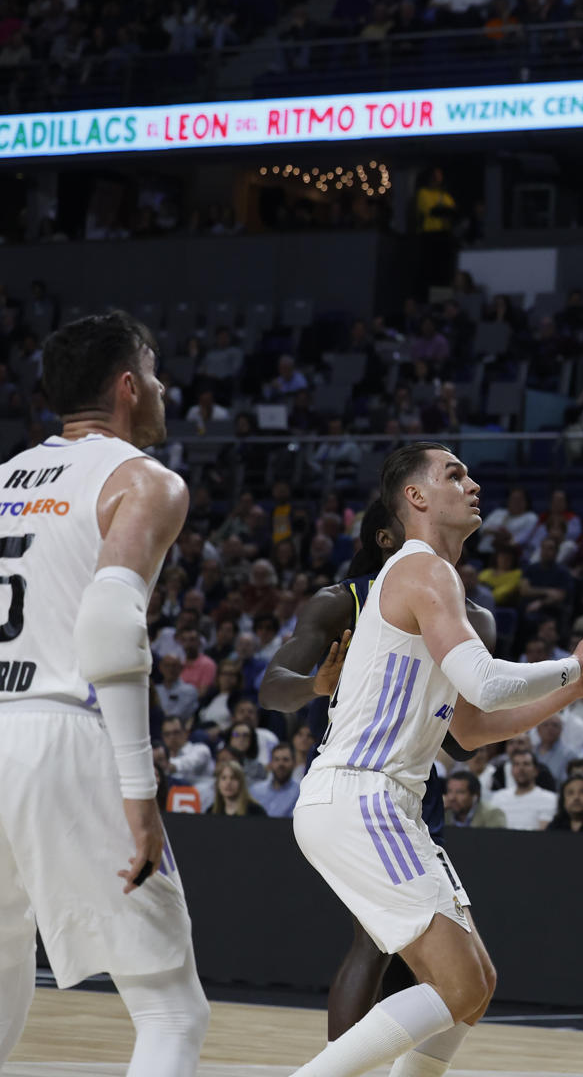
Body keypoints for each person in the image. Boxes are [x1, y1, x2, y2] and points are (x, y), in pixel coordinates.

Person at [286, 443, 583, 1077]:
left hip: (384, 803)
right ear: (415, 498)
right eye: (454, 474)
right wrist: (571, 664)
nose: (473, 483)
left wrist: (570, 691)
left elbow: (470, 728)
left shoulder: (438, 580)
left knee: (475, 987)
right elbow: (490, 681)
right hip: (361, 795)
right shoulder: (422, 569)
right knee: (458, 985)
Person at [0, 311, 210, 1072]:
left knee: (2, 982)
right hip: (63, 733)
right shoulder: (143, 479)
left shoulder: (4, 478)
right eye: (154, 375)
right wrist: (138, 786)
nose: (162, 388)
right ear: (127, 387)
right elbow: (110, 622)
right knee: (170, 1008)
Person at [260, 496, 504, 1039]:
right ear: (387, 541)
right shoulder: (340, 603)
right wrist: (317, 686)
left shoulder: (475, 617)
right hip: (359, 779)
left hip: (414, 783)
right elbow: (272, 689)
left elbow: (462, 746)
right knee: (375, 938)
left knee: (449, 962)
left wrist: (510, 704)